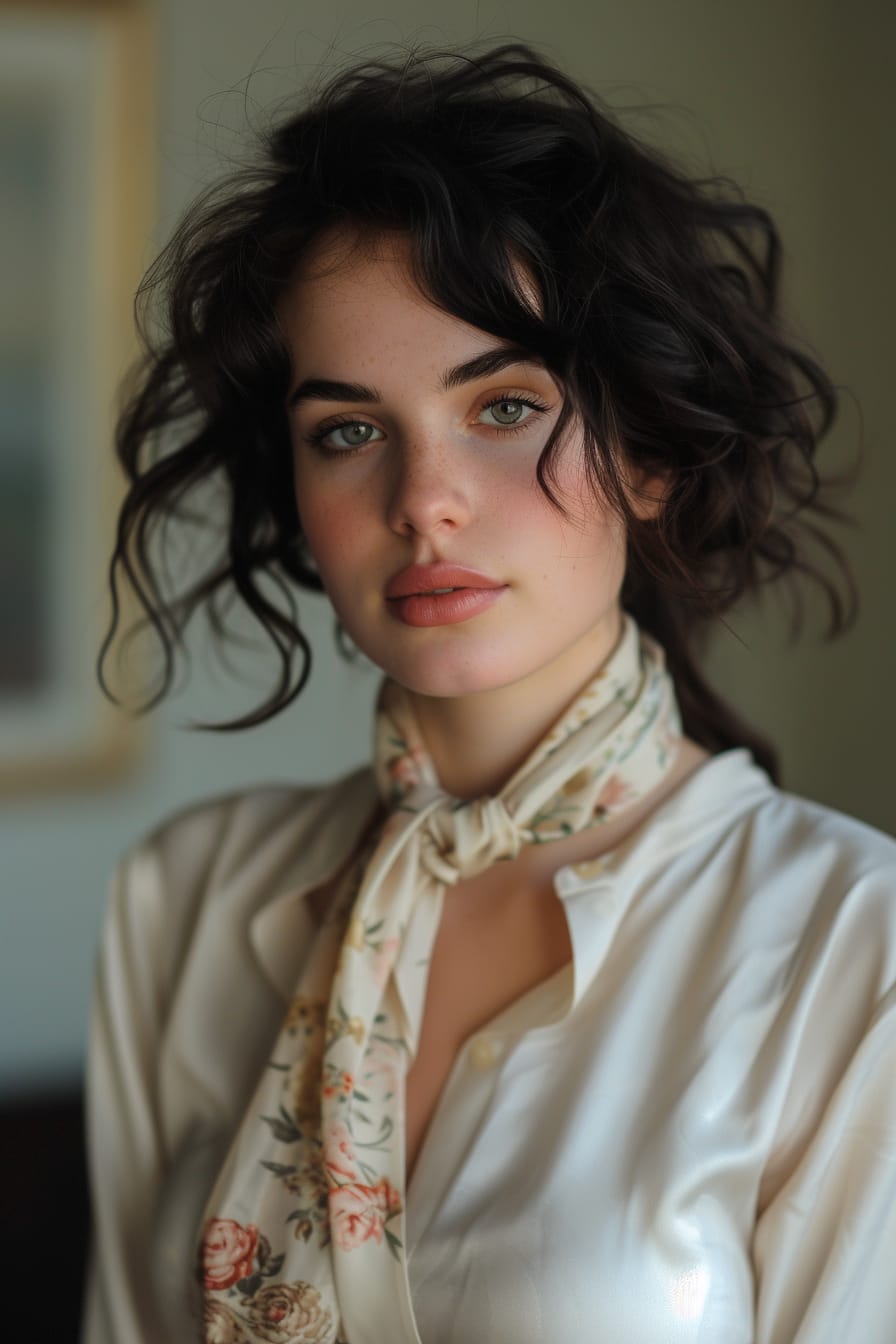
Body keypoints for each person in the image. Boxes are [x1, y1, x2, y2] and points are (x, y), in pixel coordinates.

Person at [82, 38, 896, 1344]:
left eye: (505, 407)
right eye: (347, 432)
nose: (421, 502)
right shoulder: (187, 898)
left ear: (652, 454)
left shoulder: (852, 944)